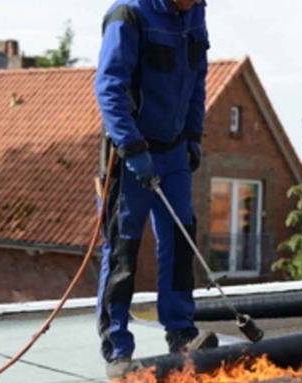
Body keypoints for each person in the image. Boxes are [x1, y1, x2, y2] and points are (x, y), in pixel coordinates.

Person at [94, 0, 212, 378]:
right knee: (123, 250)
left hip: (175, 149)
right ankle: (117, 349)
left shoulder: (194, 11)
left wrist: (193, 134)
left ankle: (181, 333)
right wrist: (131, 147)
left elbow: (197, 77)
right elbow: (110, 87)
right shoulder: (128, 14)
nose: (196, 2)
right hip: (131, 154)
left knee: (180, 240)